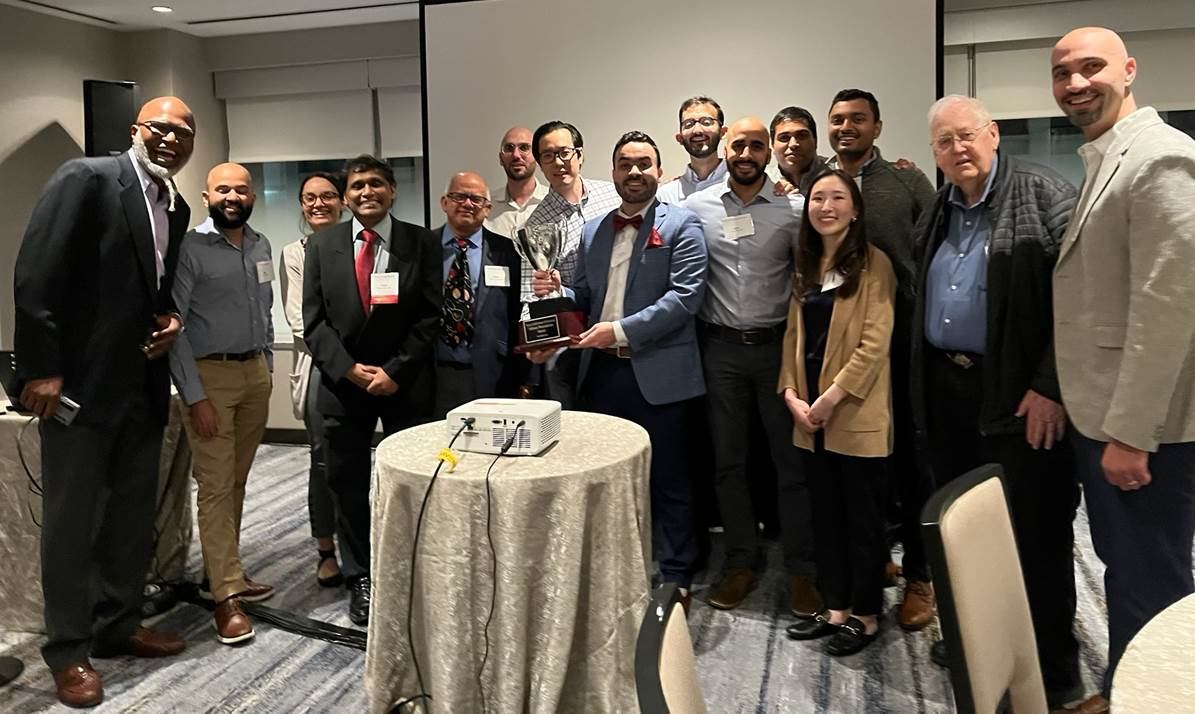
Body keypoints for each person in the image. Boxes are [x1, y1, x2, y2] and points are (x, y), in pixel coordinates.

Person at [13, 96, 194, 707]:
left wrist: (168, 321)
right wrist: (41, 369)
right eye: (160, 128)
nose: (171, 139)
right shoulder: (87, 178)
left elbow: (153, 286)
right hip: (79, 392)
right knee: (70, 525)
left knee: (128, 518)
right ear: (135, 131)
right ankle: (68, 650)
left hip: (141, 388)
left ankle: (117, 625)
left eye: (183, 132)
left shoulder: (177, 202)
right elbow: (36, 275)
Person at [911, 95, 1082, 706]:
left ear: (993, 135)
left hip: (1021, 396)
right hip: (948, 391)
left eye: (967, 135)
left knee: (1035, 535)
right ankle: (979, 643)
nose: (957, 149)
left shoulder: (1044, 195)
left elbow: (1080, 305)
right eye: (944, 141)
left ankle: (1054, 667)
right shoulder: (938, 209)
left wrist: (1052, 387)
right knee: (964, 530)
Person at [1050, 27, 1195, 714]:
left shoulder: (1160, 156)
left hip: (1143, 428)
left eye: (1090, 68)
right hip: (1101, 411)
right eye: (1062, 72)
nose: (1076, 83)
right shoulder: (1107, 156)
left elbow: (1168, 308)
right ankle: (1121, 690)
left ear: (1128, 70)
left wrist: (1134, 433)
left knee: (1150, 577)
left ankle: (1154, 698)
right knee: (1124, 566)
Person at [529, 131, 707, 608]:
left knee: (670, 479)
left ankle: (676, 575)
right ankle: (620, 567)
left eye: (643, 164)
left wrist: (620, 330)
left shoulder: (683, 226)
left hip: (660, 374)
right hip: (602, 374)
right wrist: (553, 327)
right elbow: (586, 300)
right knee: (610, 478)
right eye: (625, 164)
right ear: (612, 172)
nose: (634, 172)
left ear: (659, 171)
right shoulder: (594, 230)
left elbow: (684, 300)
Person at [680, 118, 819, 617]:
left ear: (768, 154)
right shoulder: (695, 208)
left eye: (756, 146)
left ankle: (804, 569)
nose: (746, 152)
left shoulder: (794, 207)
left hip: (778, 350)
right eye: (738, 144)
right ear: (724, 147)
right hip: (719, 352)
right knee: (728, 461)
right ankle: (741, 560)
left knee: (791, 462)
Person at [303, 154, 442, 626]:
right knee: (347, 484)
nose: (367, 192)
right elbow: (313, 322)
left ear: (392, 190)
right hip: (343, 386)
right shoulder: (322, 245)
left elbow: (429, 316)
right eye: (358, 185)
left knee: (408, 482)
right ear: (346, 196)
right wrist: (349, 371)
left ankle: (409, 568)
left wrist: (394, 371)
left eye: (376, 184)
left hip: (402, 384)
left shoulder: (420, 242)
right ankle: (359, 576)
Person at [822, 88, 937, 627]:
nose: (847, 128)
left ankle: (921, 576)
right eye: (838, 120)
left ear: (878, 127)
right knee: (860, 470)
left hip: (903, 349)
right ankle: (876, 562)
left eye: (858, 120)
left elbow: (934, 256)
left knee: (913, 466)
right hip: (840, 354)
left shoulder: (909, 182)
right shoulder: (813, 184)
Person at [779, 169, 895, 656]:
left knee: (862, 521)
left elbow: (874, 345)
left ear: (855, 208)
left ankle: (866, 617)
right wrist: (791, 396)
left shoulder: (874, 264)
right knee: (824, 517)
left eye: (837, 198)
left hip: (853, 415)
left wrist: (829, 399)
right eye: (818, 198)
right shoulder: (805, 264)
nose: (826, 206)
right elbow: (791, 338)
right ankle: (835, 610)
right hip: (810, 420)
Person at [169, 162, 275, 645]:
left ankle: (226, 570)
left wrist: (267, 365)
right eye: (223, 189)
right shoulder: (190, 249)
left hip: (254, 374)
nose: (233, 196)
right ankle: (226, 597)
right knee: (213, 486)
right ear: (206, 194)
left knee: (235, 481)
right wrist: (195, 395)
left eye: (241, 189)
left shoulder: (260, 244)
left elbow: (265, 308)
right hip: (210, 377)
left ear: (252, 196)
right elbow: (174, 328)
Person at [519, 121, 621, 407]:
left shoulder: (613, 195)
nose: (558, 162)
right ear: (539, 163)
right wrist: (534, 340)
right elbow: (532, 293)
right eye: (548, 156)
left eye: (564, 152)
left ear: (580, 154)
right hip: (570, 341)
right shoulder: (535, 224)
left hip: (619, 329)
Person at [280, 172, 345, 589]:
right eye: (309, 198)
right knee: (323, 463)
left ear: (343, 201)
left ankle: (363, 543)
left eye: (327, 196)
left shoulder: (366, 245)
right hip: (322, 368)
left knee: (362, 463)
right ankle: (326, 550)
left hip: (366, 370)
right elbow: (300, 323)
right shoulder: (295, 253)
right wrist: (350, 358)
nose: (318, 204)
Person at [433, 171, 525, 417]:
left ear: (487, 208)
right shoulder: (422, 247)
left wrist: (524, 376)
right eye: (458, 196)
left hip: (492, 373)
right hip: (433, 374)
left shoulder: (507, 251)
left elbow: (517, 312)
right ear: (444, 202)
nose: (467, 204)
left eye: (475, 199)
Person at [657, 96, 728, 204]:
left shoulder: (743, 185)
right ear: (679, 138)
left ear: (722, 132)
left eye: (706, 122)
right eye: (689, 124)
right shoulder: (666, 196)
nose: (697, 130)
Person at [484, 127, 548, 240]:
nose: (516, 155)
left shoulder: (552, 201)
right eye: (509, 148)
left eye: (524, 148)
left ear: (537, 157)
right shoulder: (485, 206)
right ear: (500, 158)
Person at [769, 106, 827, 196]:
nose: (793, 144)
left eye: (802, 136)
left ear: (815, 141)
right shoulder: (763, 183)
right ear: (772, 145)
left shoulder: (837, 176)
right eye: (784, 138)